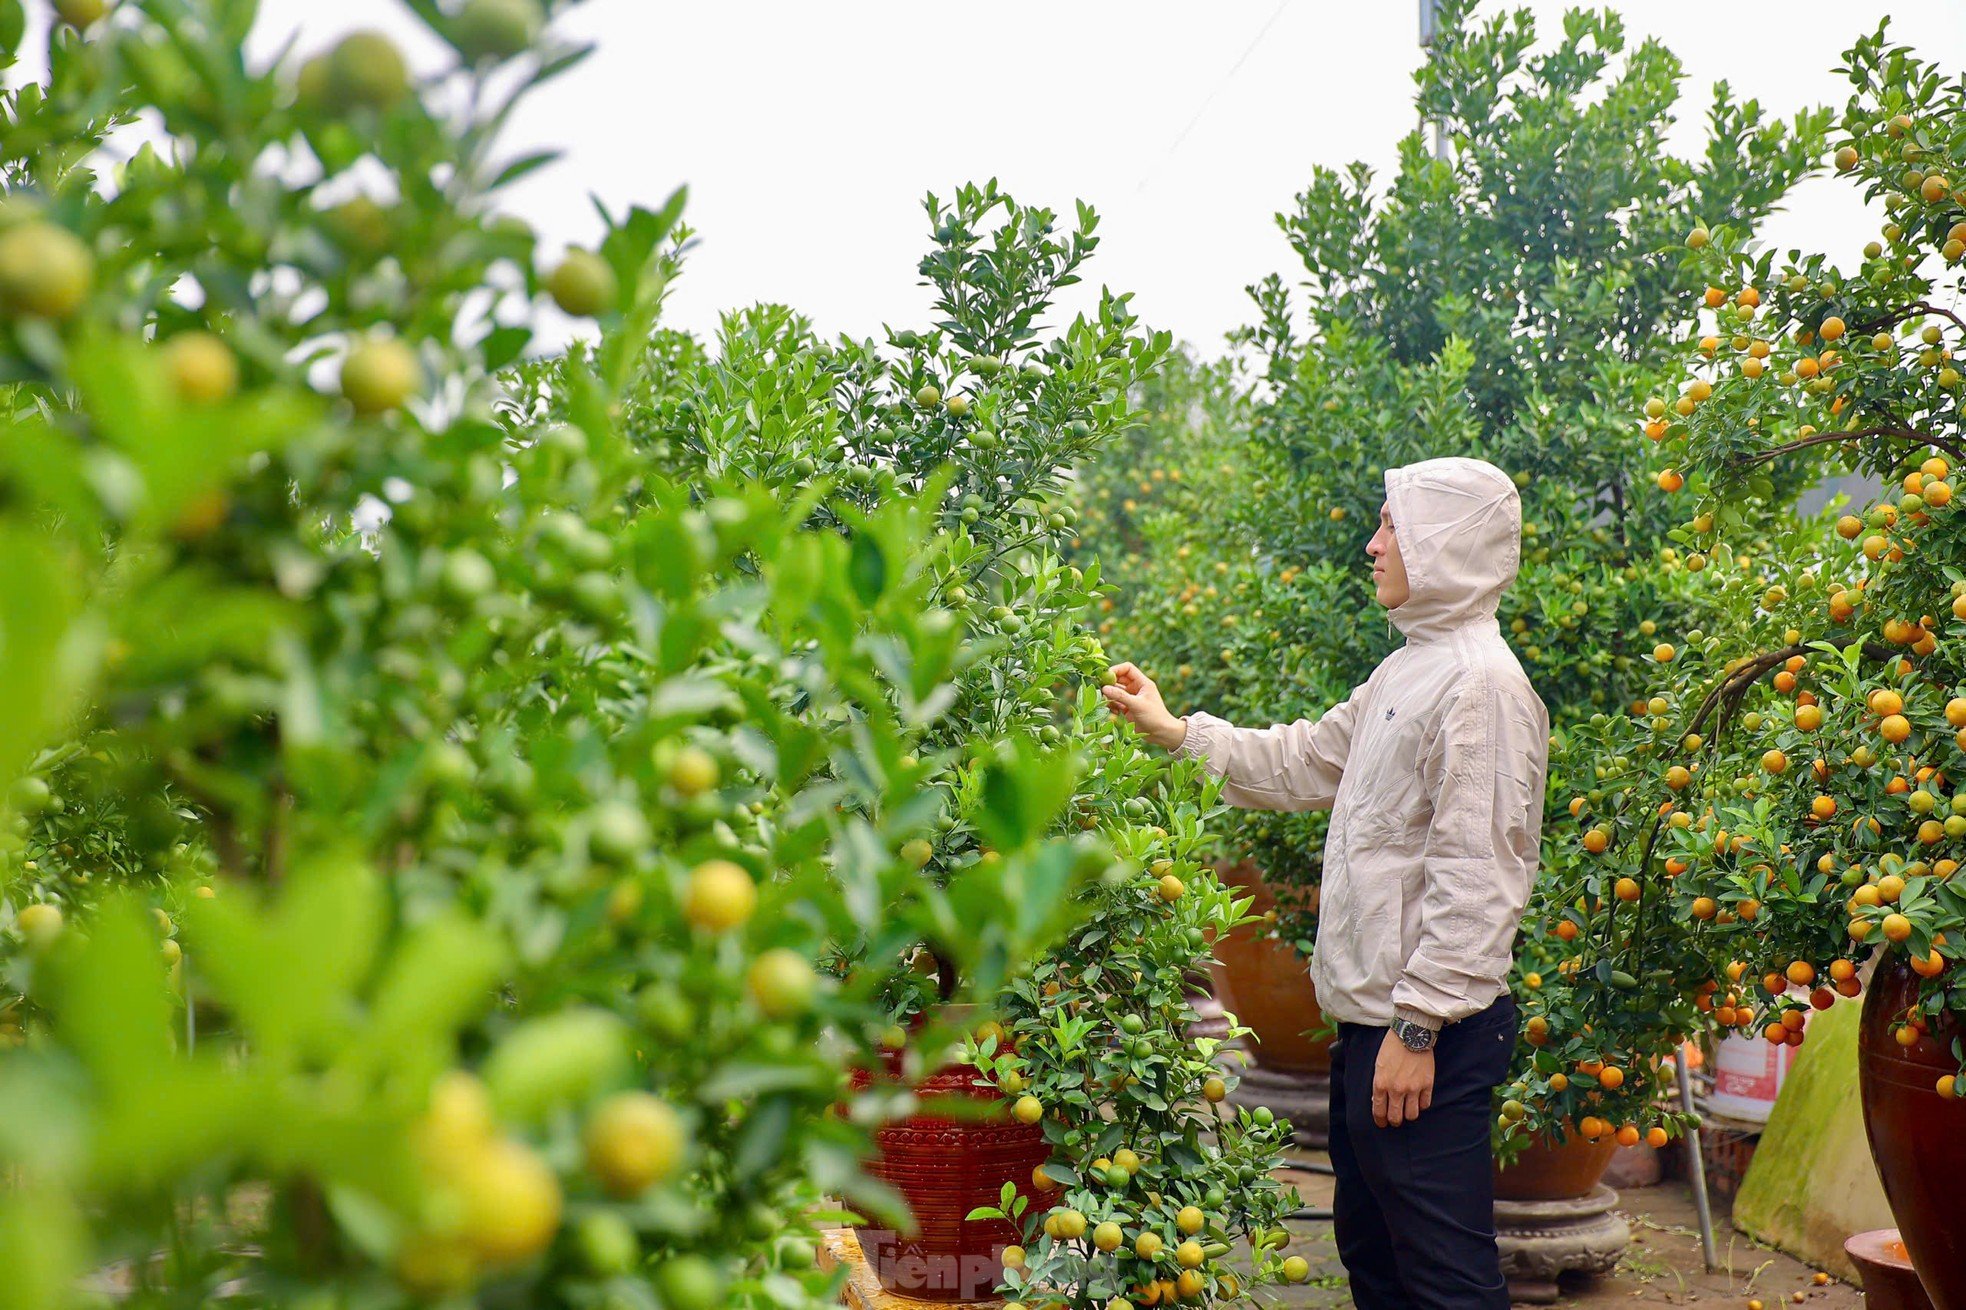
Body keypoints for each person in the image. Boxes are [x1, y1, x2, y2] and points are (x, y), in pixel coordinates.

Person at [1101, 456, 1548, 1310]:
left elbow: (1481, 879)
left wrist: (1417, 1031)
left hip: (1426, 1040)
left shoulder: (1482, 688)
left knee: (1445, 1282)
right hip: (1373, 1033)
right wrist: (1173, 729)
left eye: (1392, 527)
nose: (1373, 545)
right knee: (1379, 1267)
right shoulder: (1409, 672)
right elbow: (1306, 759)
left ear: (1445, 544)